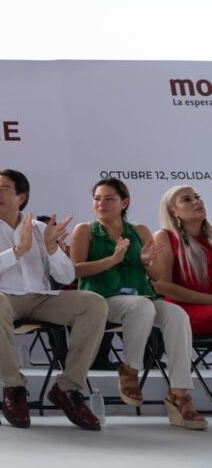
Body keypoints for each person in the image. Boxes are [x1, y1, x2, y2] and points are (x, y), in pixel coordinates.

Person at [0, 169, 107, 431]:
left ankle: (67, 388)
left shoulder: (40, 229)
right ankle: (13, 386)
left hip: (40, 298)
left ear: (21, 197)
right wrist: (17, 252)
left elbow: (66, 275)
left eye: (4, 189)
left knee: (93, 303)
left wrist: (52, 248)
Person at [71, 179, 204, 429]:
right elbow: (74, 271)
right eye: (97, 198)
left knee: (176, 314)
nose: (101, 203)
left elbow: (156, 277)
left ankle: (179, 393)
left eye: (109, 198)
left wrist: (144, 262)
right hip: (100, 300)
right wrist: (111, 260)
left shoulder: (140, 231)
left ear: (124, 203)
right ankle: (130, 368)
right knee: (140, 307)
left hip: (142, 298)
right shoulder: (85, 230)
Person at [147, 185, 212, 429]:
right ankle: (179, 396)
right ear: (174, 211)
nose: (197, 202)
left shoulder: (210, 237)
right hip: (181, 308)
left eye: (198, 197)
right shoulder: (164, 237)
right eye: (187, 199)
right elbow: (161, 285)